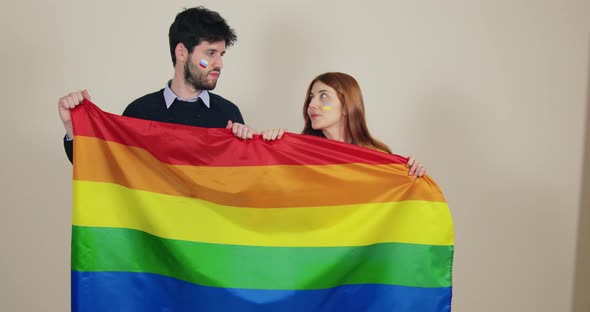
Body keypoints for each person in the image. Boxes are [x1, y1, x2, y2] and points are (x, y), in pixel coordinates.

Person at [58, 6, 249, 163]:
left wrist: (255, 145)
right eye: (210, 53)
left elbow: (242, 182)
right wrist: (71, 128)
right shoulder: (140, 112)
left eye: (221, 54)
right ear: (182, 52)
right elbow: (106, 169)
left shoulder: (228, 114)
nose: (219, 64)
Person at [229, 72, 426, 177]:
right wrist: (264, 144)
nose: (312, 104)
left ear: (347, 105)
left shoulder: (378, 156)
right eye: (311, 97)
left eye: (324, 97)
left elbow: (393, 211)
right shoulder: (300, 154)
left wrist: (411, 174)